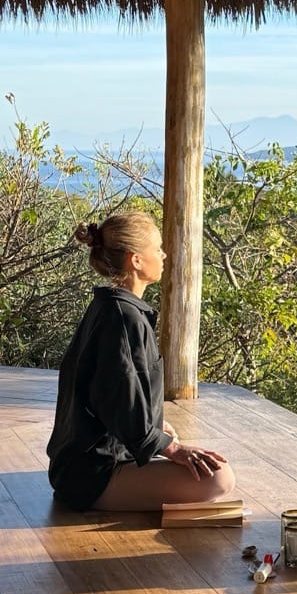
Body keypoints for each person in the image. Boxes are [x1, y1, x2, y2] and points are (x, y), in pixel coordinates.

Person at [46, 211, 237, 511]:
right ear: (135, 260)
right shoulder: (124, 318)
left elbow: (110, 398)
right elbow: (124, 402)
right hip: (91, 475)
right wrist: (172, 449)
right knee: (219, 478)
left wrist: (159, 431)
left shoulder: (110, 306)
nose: (163, 255)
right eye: (157, 249)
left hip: (79, 465)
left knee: (191, 454)